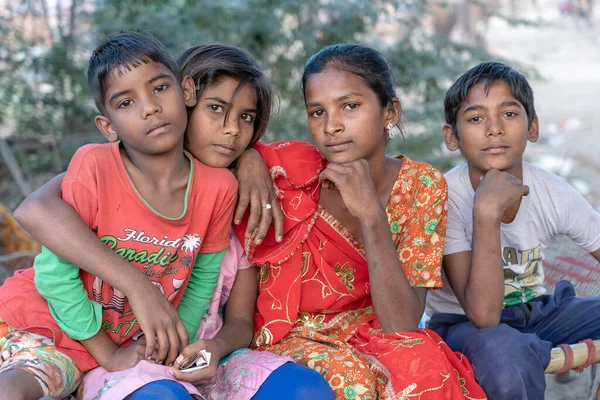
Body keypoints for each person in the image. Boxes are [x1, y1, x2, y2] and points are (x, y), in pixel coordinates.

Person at [13, 42, 333, 399]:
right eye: (215, 110)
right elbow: (35, 212)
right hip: (102, 342)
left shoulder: (228, 189)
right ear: (190, 98)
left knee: (303, 389)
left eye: (246, 118)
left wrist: (251, 160)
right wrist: (136, 291)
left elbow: (227, 308)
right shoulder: (100, 168)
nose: (231, 131)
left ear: (181, 94)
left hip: (190, 348)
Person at [233, 44, 487, 399]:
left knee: (425, 365)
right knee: (353, 382)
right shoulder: (287, 171)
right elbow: (226, 149)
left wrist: (371, 214)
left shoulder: (422, 186)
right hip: (291, 337)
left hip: (376, 331)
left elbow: (402, 324)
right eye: (317, 112)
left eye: (350, 106)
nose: (332, 126)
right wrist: (248, 160)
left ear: (390, 111)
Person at [0, 30, 239, 400]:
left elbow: (201, 280)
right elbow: (53, 274)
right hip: (47, 327)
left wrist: (174, 342)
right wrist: (108, 352)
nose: (150, 108)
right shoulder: (94, 166)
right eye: (126, 103)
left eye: (160, 88)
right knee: (17, 389)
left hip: (120, 349)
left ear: (186, 91)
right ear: (108, 127)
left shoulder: (218, 188)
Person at [426, 62, 600, 399]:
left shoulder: (551, 189)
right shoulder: (444, 198)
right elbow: (484, 315)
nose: (494, 129)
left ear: (532, 127)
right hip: (464, 325)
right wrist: (486, 211)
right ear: (452, 136)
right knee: (506, 358)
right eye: (475, 118)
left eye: (509, 114)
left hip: (538, 312)